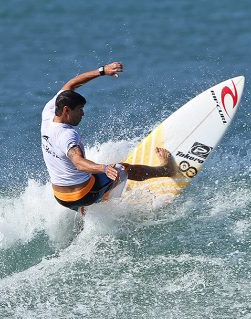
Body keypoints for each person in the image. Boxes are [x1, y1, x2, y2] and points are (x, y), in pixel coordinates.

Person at [41, 61, 176, 213]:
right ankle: (167, 170)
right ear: (66, 110)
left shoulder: (48, 112)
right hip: (82, 194)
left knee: (85, 176)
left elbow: (71, 84)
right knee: (123, 169)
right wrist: (104, 168)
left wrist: (102, 71)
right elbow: (78, 162)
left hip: (60, 197)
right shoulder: (67, 135)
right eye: (79, 110)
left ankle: (84, 212)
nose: (83, 113)